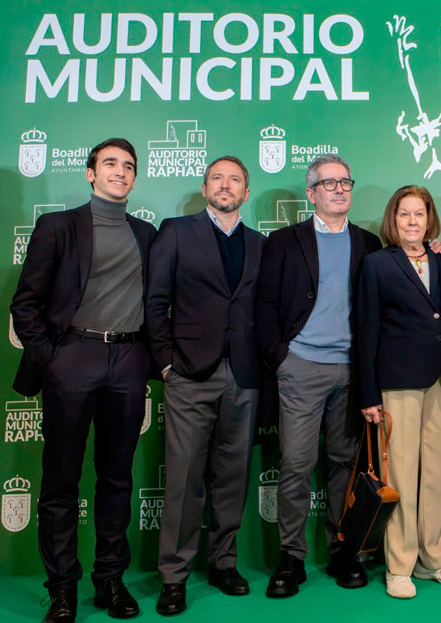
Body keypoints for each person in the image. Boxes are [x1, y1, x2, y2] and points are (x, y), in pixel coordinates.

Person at [10, 138, 156, 623]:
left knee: (116, 477)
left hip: (130, 359)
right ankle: (62, 589)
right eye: (110, 163)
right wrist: (53, 359)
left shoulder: (147, 233)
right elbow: (25, 304)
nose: (120, 171)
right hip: (73, 356)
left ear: (135, 178)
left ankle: (110, 581)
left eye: (128, 166)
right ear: (90, 173)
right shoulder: (58, 226)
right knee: (61, 479)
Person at [255, 154, 383, 596]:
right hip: (301, 367)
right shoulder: (285, 241)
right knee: (295, 463)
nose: (339, 189)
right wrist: (282, 356)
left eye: (345, 181)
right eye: (328, 183)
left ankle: (342, 549)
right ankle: (291, 557)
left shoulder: (368, 242)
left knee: (345, 465)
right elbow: (266, 305)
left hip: (353, 371)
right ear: (311, 193)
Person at [146, 156, 266, 614]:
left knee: (232, 476)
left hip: (244, 375)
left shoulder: (260, 243)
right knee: (183, 479)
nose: (225, 184)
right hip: (188, 374)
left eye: (234, 179)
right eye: (217, 177)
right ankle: (174, 576)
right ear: (203, 187)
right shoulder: (176, 231)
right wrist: (165, 365)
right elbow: (155, 300)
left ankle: (223, 563)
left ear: (246, 193)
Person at [357, 185, 441, 599]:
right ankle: (399, 564)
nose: (412, 222)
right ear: (393, 219)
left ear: (429, 219)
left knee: (436, 474)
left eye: (419, 214)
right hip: (397, 382)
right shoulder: (376, 265)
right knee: (401, 473)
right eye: (404, 214)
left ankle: (432, 557)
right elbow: (366, 331)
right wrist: (368, 392)